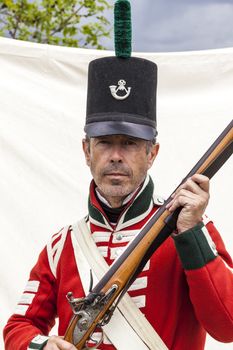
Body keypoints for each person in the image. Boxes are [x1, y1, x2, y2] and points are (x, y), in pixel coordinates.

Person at [3, 1, 233, 349]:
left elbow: (227, 327)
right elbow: (19, 326)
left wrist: (191, 235)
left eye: (128, 143)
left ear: (151, 153)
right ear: (86, 151)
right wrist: (42, 345)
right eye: (105, 143)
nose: (115, 156)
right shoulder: (61, 246)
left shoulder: (192, 228)